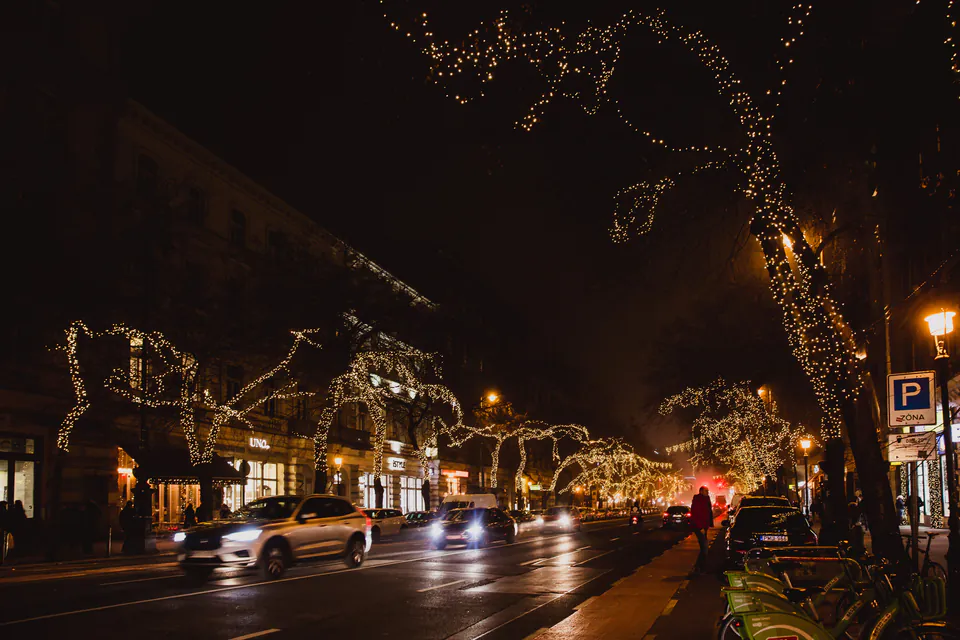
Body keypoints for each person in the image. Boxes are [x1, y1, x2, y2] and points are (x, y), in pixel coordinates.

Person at [690, 486, 714, 574]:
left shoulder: (706, 499)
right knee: (704, 548)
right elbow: (697, 514)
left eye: (708, 491)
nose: (707, 492)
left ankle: (700, 567)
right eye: (706, 491)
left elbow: (707, 513)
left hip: (704, 527)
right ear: (701, 491)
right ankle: (699, 567)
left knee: (704, 547)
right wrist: (701, 528)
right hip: (700, 527)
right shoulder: (698, 500)